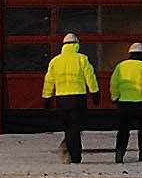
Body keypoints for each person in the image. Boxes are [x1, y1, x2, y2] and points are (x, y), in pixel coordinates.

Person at [41, 31, 100, 161]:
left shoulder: (55, 61)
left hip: (61, 99)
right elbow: (90, 77)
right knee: (76, 127)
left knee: (68, 127)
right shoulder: (82, 59)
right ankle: (75, 155)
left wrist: (46, 97)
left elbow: (49, 80)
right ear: (76, 45)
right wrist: (95, 93)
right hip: (78, 98)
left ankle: (70, 151)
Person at [108, 41, 142, 162]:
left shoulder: (120, 66)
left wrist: (115, 98)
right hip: (140, 104)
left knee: (123, 131)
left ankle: (119, 154)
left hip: (124, 103)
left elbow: (114, 84)